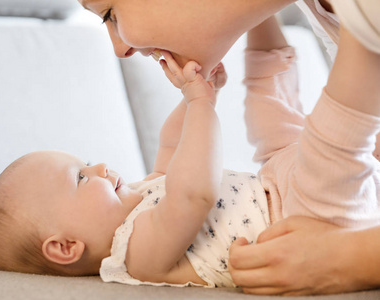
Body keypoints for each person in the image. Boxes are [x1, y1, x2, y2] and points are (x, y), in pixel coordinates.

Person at [79, 0, 380, 294]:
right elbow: (192, 194)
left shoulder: (140, 194)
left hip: (277, 184)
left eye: (110, 14)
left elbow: (172, 146)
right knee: (324, 150)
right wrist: (200, 103)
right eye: (78, 178)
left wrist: (196, 99)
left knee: (270, 113)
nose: (120, 49)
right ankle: (362, 55)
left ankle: (270, 29)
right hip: (303, 222)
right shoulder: (132, 254)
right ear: (64, 246)